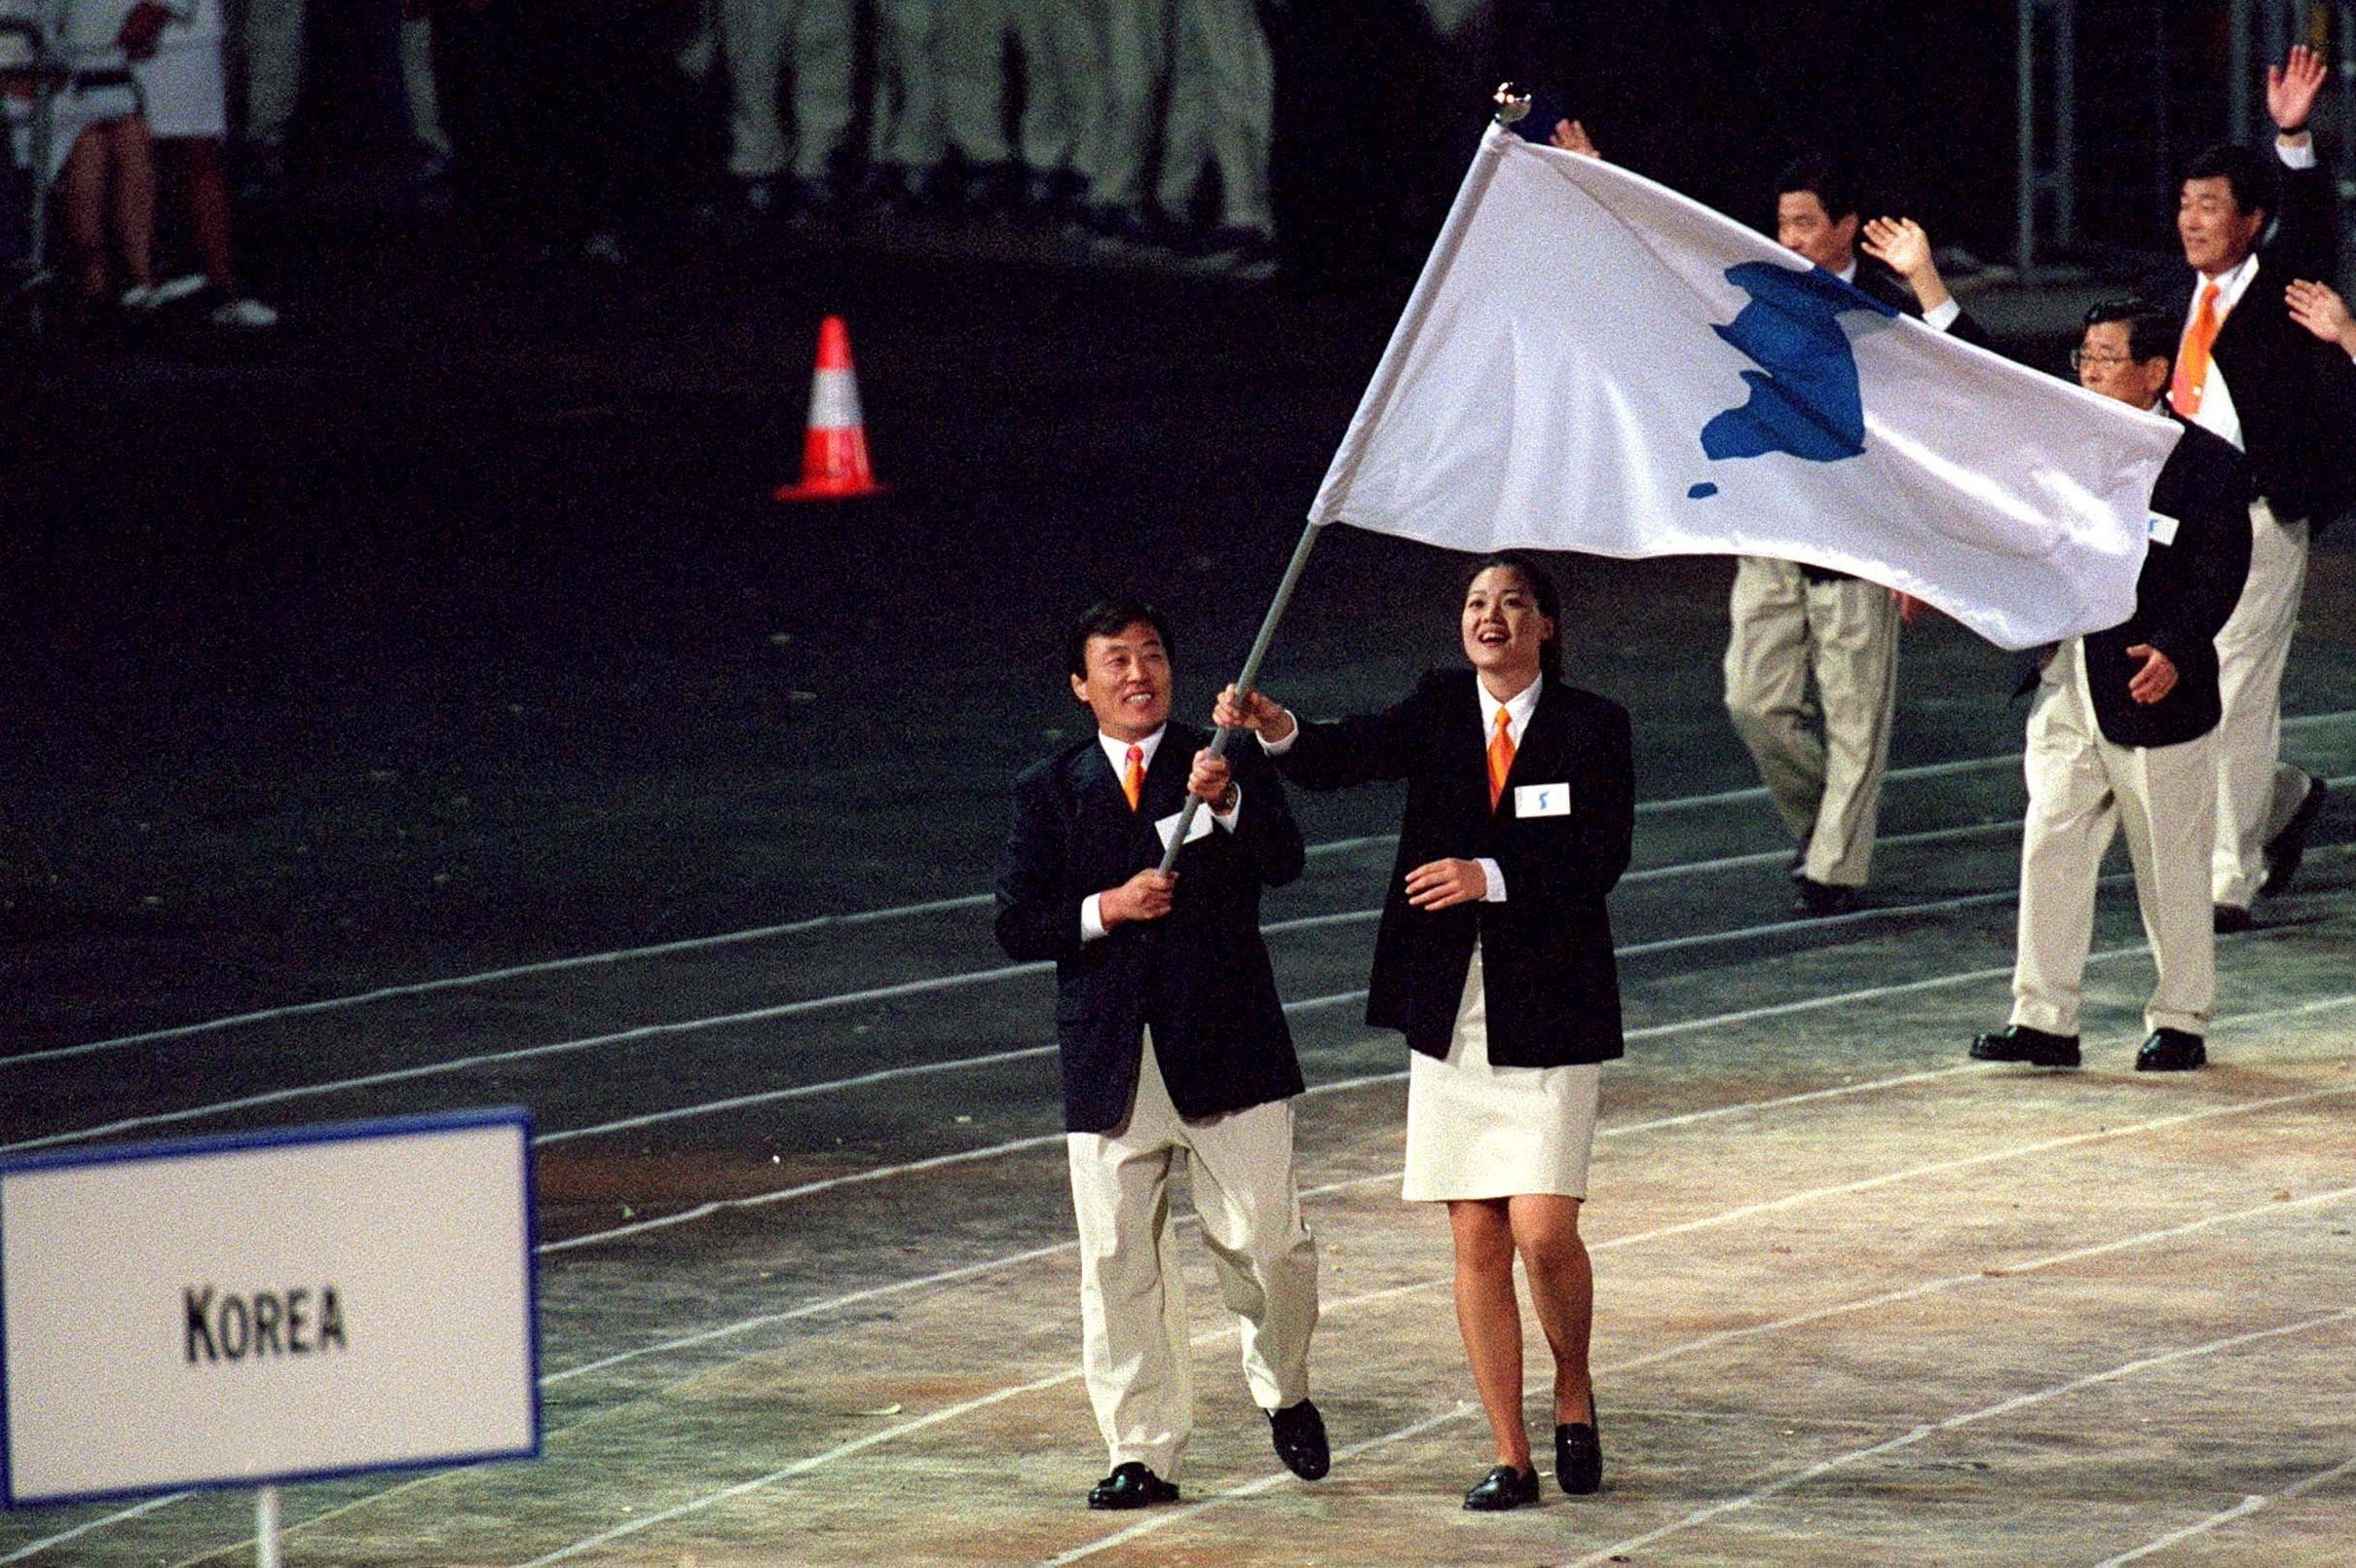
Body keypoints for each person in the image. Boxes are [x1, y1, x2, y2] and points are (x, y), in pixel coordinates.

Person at [1216, 553, 1633, 1510]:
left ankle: (1573, 1386)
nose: (1490, 617)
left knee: (1543, 1227)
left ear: (1546, 626)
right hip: (1452, 1010)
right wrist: (1277, 726)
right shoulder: (1442, 705)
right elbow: (1341, 755)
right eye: (1476, 603)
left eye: (1512, 603)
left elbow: (1598, 853)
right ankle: (1510, 1449)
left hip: (1551, 1007)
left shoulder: (1590, 726)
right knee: (1477, 1236)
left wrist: (1487, 873)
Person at [995, 599, 1328, 1511]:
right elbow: (1017, 922)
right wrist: (1107, 908)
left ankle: (1283, 1386)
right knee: (1116, 1263)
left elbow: (1284, 862)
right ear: (1081, 685)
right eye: (1114, 661)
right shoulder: (1048, 788)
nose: (1136, 674)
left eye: (1150, 656)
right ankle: (1140, 1449)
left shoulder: (1220, 757)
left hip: (1227, 1044)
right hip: (1109, 1057)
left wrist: (1224, 805)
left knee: (1268, 1244)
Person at [1967, 303, 2251, 1073]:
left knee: (2169, 864)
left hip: (2153, 690)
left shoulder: (2208, 467)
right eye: (2083, 357)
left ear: (2155, 373)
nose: (2088, 373)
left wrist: (2174, 648)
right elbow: (1976, 389)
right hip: (2067, 681)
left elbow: (2220, 573)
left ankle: (2181, 1017)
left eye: (2105, 358)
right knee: (2050, 844)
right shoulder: (2061, 447)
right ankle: (2043, 1019)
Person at [2142, 45, 2356, 932]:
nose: (2192, 221)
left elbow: (2312, 228)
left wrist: (2291, 135)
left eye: (2210, 206)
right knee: (2182, 677)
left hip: (2262, 510)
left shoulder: (2276, 286)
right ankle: (2281, 797)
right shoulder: (2163, 294)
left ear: (2250, 220)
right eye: (2185, 204)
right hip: (2176, 520)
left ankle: (2230, 874)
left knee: (2238, 683)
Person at [1722, 154, 1957, 919]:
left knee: (1856, 714)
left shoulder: (1885, 313)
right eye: (1780, 222)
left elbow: (1932, 423)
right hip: (1774, 531)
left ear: (1845, 228)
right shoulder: (1759, 292)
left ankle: (1832, 868)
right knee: (1753, 699)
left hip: (1862, 539)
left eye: (1802, 223)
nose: (1785, 238)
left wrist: (1917, 553)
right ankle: (1822, 826)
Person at [129, 0, 278, 328]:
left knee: (196, 155)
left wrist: (162, 6)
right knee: (124, 154)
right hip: (91, 26)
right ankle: (140, 281)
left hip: (179, 35)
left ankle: (222, 287)